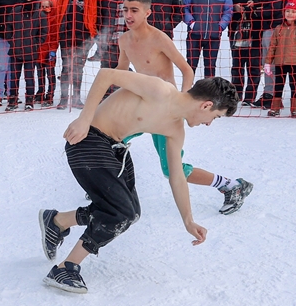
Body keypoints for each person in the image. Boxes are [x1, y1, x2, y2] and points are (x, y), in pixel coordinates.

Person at [38, 71, 238, 294]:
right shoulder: (160, 90)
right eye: (215, 117)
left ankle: (57, 221)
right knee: (120, 213)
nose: (209, 123)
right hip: (88, 139)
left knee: (131, 213)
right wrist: (84, 119)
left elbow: (177, 177)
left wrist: (188, 221)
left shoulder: (175, 129)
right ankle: (66, 268)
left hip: (115, 148)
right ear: (206, 105)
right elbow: (105, 75)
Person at [117, 0, 253, 215]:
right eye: (125, 10)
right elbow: (121, 72)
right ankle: (109, 181)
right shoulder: (124, 40)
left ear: (147, 13)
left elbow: (187, 70)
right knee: (112, 137)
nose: (128, 15)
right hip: (143, 105)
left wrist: (180, 101)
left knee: (172, 169)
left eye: (134, 10)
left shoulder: (159, 38)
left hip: (165, 112)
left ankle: (232, 186)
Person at [47, 0, 98, 109]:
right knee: (66, 66)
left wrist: (92, 33)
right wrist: (59, 30)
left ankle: (76, 98)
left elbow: (94, 13)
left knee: (78, 68)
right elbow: (59, 12)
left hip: (84, 36)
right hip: (67, 35)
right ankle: (64, 98)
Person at [226, 0, 267, 105]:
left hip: (256, 30)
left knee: (253, 65)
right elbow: (226, 3)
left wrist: (256, 5)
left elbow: (268, 4)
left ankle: (250, 96)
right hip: (236, 30)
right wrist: (234, 7)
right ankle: (236, 95)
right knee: (237, 65)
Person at [182, 0, 233, 79]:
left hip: (213, 36)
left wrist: (220, 26)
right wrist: (192, 23)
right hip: (194, 35)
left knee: (210, 67)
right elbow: (184, 8)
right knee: (190, 65)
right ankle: (187, 88)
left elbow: (228, 11)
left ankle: (208, 90)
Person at [264, 0, 296, 117]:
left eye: (293, 11)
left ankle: (295, 109)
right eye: (288, 11)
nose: (290, 14)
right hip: (280, 62)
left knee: (295, 85)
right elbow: (272, 47)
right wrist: (268, 62)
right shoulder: (278, 28)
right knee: (278, 85)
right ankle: (275, 108)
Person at [5, 0, 47, 110]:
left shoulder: (40, 14)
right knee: (14, 78)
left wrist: (36, 43)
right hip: (15, 50)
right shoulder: (16, 11)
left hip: (31, 51)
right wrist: (12, 40)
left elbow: (43, 32)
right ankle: (12, 99)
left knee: (29, 78)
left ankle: (29, 100)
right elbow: (8, 27)